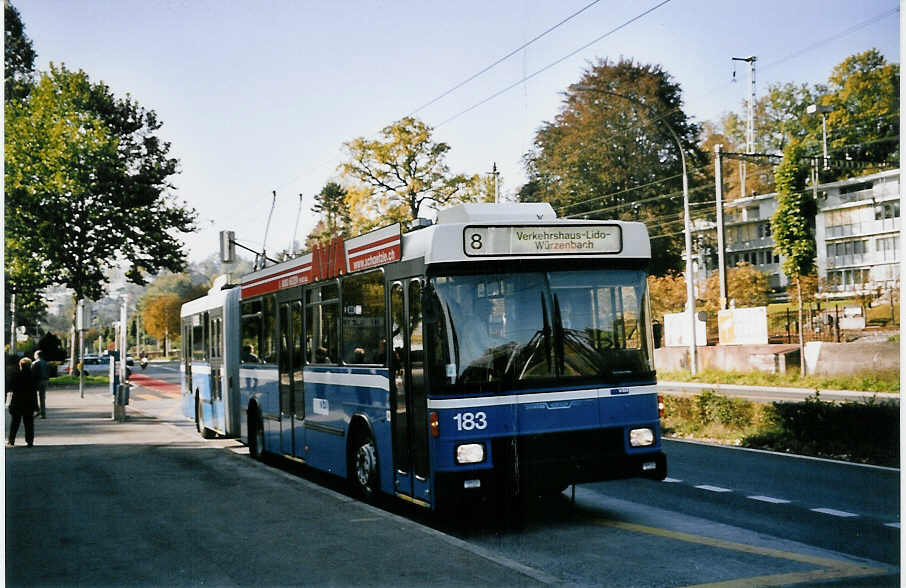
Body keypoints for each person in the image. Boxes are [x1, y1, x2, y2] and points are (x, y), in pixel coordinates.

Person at [7, 357, 38, 447]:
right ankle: (29, 441)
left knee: (15, 422)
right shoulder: (32, 376)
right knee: (29, 423)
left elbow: (11, 387)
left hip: (17, 401)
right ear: (30, 365)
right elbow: (34, 391)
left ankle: (11, 440)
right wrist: (36, 406)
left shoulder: (16, 375)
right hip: (29, 401)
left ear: (20, 365)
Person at [32, 349, 50, 418]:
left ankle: (37, 410)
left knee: (34, 396)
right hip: (45, 381)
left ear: (37, 355)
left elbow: (32, 373)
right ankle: (43, 413)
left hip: (37, 381)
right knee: (42, 397)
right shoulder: (46, 363)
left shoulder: (35, 363)